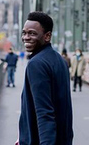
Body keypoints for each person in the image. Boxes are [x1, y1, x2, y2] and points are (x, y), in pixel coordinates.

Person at [17, 11, 73, 145]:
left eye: (32, 33)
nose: (26, 37)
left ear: (47, 36)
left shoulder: (36, 64)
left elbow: (44, 113)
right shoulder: (58, 59)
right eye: (24, 33)